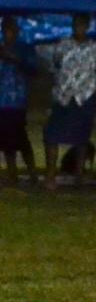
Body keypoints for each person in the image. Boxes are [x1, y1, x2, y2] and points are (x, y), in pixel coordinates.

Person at [39, 13, 96, 190]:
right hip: (63, 98)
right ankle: (50, 175)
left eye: (82, 24)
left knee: (81, 138)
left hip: (84, 97)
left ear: (87, 26)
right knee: (51, 135)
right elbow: (50, 65)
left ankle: (78, 175)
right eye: (76, 24)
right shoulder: (62, 45)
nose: (78, 27)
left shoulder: (93, 48)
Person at [0, 16, 36, 185]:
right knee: (5, 140)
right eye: (5, 30)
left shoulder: (25, 49)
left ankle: (32, 171)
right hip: (0, 101)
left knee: (21, 138)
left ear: (17, 32)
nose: (7, 33)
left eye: (11, 30)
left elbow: (33, 69)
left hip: (18, 101)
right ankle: (12, 173)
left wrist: (14, 59)